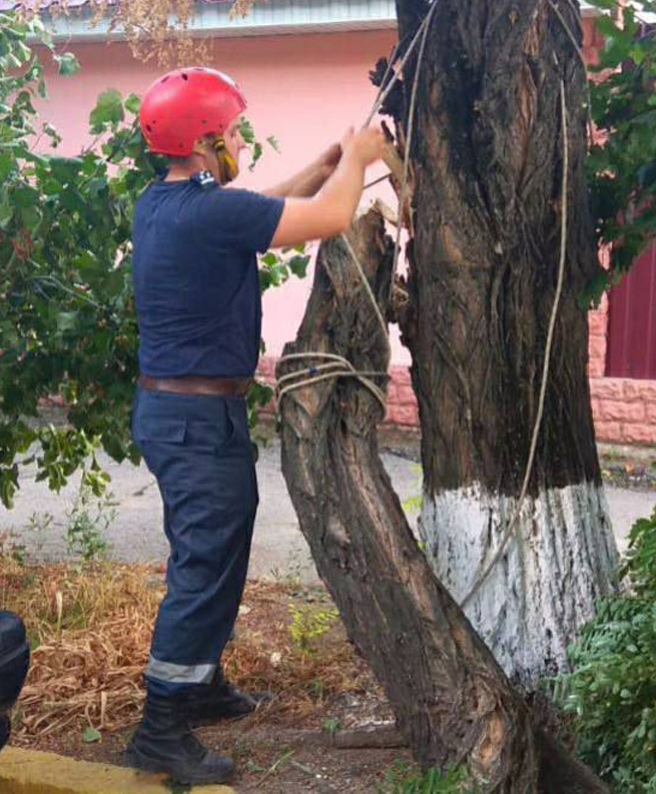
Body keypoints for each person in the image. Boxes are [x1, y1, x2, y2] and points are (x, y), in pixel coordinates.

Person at [125, 66, 386, 785]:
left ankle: (198, 683)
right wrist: (361, 159)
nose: (239, 139)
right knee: (204, 562)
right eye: (232, 130)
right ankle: (161, 729)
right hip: (194, 416)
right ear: (206, 140)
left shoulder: (164, 204)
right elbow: (329, 220)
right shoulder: (210, 214)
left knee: (220, 549)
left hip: (187, 410)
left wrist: (327, 164)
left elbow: (260, 207)